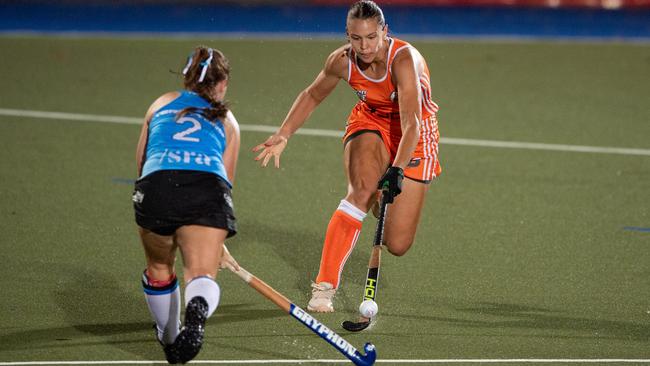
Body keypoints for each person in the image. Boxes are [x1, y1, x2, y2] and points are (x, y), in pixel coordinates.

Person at [253, 0, 441, 313]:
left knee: (397, 244)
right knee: (360, 192)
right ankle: (324, 286)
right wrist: (284, 133)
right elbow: (313, 94)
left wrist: (395, 169)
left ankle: (382, 190)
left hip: (415, 131)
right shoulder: (341, 61)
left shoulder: (403, 60)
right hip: (370, 121)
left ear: (385, 32)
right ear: (347, 36)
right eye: (356, 38)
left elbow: (412, 123)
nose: (364, 46)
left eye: (371, 37)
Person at [132, 46, 241, 363]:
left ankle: (168, 339)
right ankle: (197, 314)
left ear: (187, 79)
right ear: (222, 84)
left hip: (157, 186)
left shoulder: (161, 104)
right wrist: (216, 238)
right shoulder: (229, 122)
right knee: (201, 273)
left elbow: (141, 163)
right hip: (207, 190)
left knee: (160, 268)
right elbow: (225, 182)